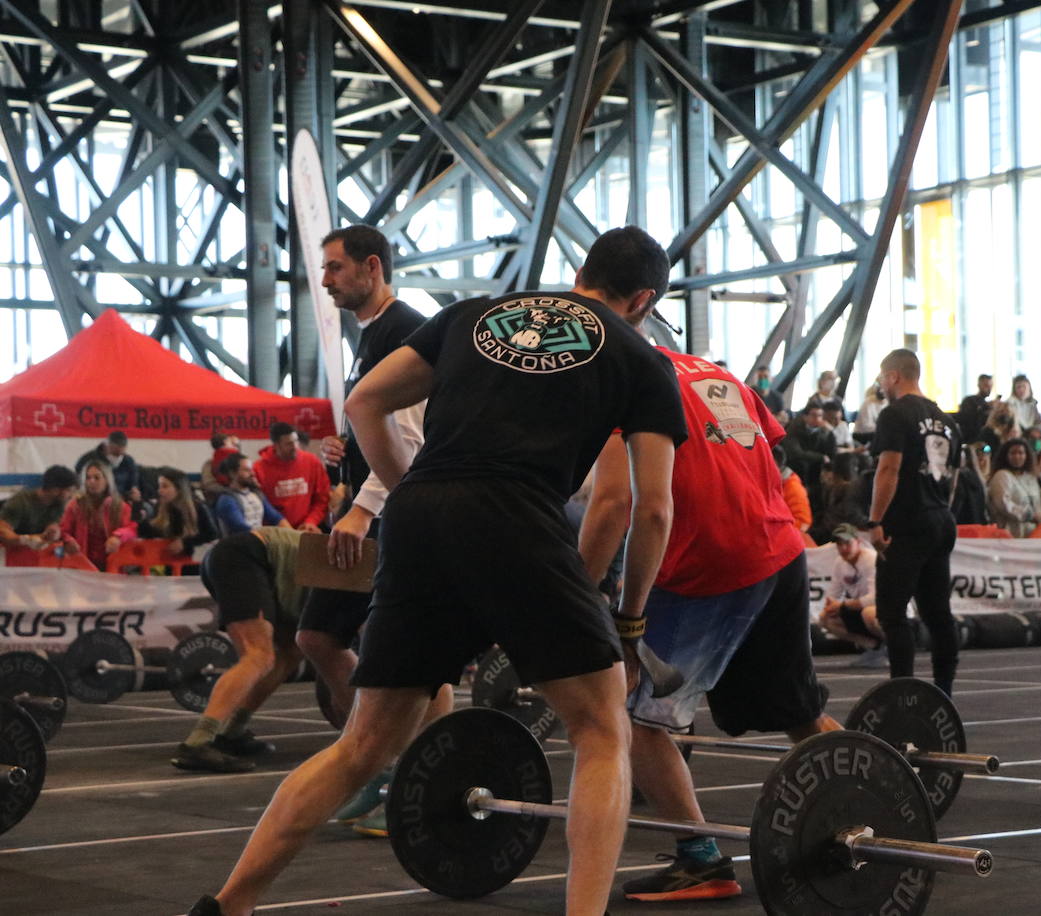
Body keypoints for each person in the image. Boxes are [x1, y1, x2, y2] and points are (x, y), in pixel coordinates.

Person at [184, 226, 687, 916]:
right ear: (643, 299)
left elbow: (364, 405)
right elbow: (647, 507)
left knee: (362, 744)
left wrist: (417, 492)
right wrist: (628, 619)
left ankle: (228, 904)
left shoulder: (472, 314)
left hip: (419, 517)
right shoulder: (642, 358)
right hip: (519, 516)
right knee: (602, 729)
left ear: (581, 272)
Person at [579, 337, 838, 904]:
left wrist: (583, 594)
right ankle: (876, 794)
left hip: (709, 562)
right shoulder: (715, 374)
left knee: (638, 717)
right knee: (798, 712)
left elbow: (620, 503)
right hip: (776, 548)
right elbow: (764, 458)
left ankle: (699, 860)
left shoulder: (621, 378)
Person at [295, 224, 431, 837]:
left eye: (333, 268)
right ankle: (386, 765)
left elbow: (412, 437)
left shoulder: (403, 331)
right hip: (376, 507)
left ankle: (393, 771)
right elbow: (386, 424)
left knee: (407, 657)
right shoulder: (374, 336)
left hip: (392, 515)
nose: (324, 280)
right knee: (319, 637)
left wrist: (364, 506)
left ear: (371, 267)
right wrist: (347, 448)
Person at [170, 527, 309, 773]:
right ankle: (198, 742)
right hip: (244, 556)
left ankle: (232, 732)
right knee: (259, 655)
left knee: (291, 651)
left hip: (251, 562)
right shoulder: (367, 581)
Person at [866, 348, 959, 695]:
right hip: (940, 517)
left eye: (881, 378)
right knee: (938, 613)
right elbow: (954, 479)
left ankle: (901, 691)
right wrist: (939, 511)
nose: (880, 384)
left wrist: (874, 521)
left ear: (894, 377)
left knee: (892, 613)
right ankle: (944, 690)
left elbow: (889, 467)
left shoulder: (895, 414)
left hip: (907, 521)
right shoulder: (947, 421)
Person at [818, 523, 884, 665]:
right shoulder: (840, 563)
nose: (843, 548)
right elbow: (832, 595)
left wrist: (842, 605)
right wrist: (830, 607)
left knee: (869, 613)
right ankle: (873, 647)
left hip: (887, 609)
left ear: (858, 542)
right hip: (859, 609)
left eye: (847, 543)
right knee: (824, 618)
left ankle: (893, 647)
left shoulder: (871, 559)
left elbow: (875, 599)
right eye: (839, 545)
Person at [253, 422, 331, 532]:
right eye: (289, 444)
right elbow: (261, 505)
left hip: (307, 529)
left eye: (296, 441)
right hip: (276, 532)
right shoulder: (259, 469)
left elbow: (322, 498)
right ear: (276, 445)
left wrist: (310, 522)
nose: (295, 447)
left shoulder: (311, 462)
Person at [58, 460, 135, 570]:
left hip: (113, 565)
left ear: (107, 480)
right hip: (82, 564)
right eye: (88, 478)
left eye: (97, 478)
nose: (92, 481)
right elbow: (63, 530)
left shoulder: (120, 506)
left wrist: (118, 537)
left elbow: (132, 528)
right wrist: (68, 540)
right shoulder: (75, 505)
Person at [137, 467, 217, 561]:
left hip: (193, 563)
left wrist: (185, 543)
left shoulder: (198, 508)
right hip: (168, 563)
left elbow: (211, 534)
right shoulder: (161, 508)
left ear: (179, 489)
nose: (159, 491)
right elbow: (150, 530)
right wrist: (138, 514)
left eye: (165, 486)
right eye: (159, 486)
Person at [0, 465, 77, 551]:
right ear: (55, 490)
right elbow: (2, 532)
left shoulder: (58, 504)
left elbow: (51, 529)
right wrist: (25, 539)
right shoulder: (20, 502)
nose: (71, 496)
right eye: (69, 490)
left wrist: (54, 533)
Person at [214, 454, 289, 535]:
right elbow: (240, 527)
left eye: (252, 470)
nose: (252, 473)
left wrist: (294, 535)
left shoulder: (257, 494)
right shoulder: (227, 499)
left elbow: (275, 517)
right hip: (240, 544)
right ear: (232, 473)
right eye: (247, 470)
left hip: (258, 541)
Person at [987, 438, 1041, 537]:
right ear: (1006, 456)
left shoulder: (1030, 478)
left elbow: (1038, 503)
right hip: (1009, 534)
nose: (1017, 456)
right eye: (1013, 453)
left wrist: (1039, 515)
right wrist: (1027, 515)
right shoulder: (1002, 476)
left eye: (1021, 453)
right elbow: (1003, 503)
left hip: (1032, 534)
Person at [76, 430, 140, 501]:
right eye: (114, 454)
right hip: (95, 498)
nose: (117, 458)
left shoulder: (128, 461)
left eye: (120, 454)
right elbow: (78, 481)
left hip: (122, 499)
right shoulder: (88, 459)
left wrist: (134, 491)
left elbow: (133, 483)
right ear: (106, 446)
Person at [773, 444, 813, 541]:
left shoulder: (792, 487)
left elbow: (803, 523)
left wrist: (774, 530)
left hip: (788, 542)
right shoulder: (772, 484)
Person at [200, 432, 240, 505]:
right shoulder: (209, 464)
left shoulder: (242, 463)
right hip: (219, 498)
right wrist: (230, 491)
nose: (235, 447)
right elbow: (209, 485)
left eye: (237, 445)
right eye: (232, 444)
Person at [955, 374, 995, 443]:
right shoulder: (969, 400)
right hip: (971, 440)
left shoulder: (988, 404)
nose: (989, 389)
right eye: (986, 386)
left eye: (991, 386)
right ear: (979, 385)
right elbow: (968, 419)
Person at [852, 377, 886, 446]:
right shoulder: (868, 403)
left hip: (877, 433)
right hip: (863, 436)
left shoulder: (888, 403)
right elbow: (866, 426)